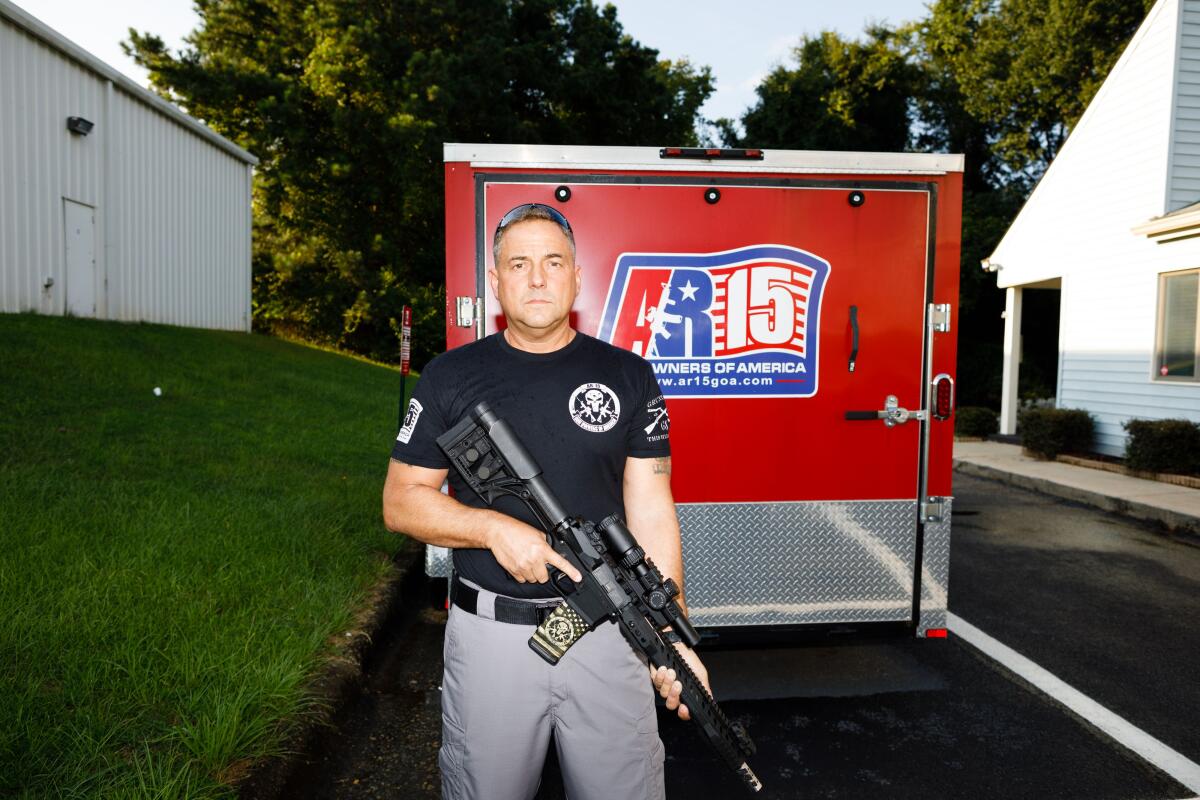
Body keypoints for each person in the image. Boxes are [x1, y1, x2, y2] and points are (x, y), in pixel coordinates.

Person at [382, 202, 710, 800]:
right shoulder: (450, 377)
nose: (537, 278)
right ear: (496, 280)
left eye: (553, 261)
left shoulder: (629, 376)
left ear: (578, 276)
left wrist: (672, 638)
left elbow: (653, 511)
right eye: (520, 263)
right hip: (491, 646)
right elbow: (402, 502)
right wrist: (492, 530)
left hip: (609, 636)